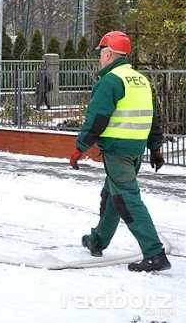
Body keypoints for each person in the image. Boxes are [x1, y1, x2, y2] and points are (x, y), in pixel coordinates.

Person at [70, 31, 170, 272]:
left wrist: (79, 149)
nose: (99, 60)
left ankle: (155, 254)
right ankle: (97, 241)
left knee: (127, 200)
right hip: (135, 150)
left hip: (117, 151)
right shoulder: (140, 80)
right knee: (112, 197)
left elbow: (97, 120)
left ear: (108, 53)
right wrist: (155, 148)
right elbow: (152, 117)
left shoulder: (110, 81)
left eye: (100, 55)